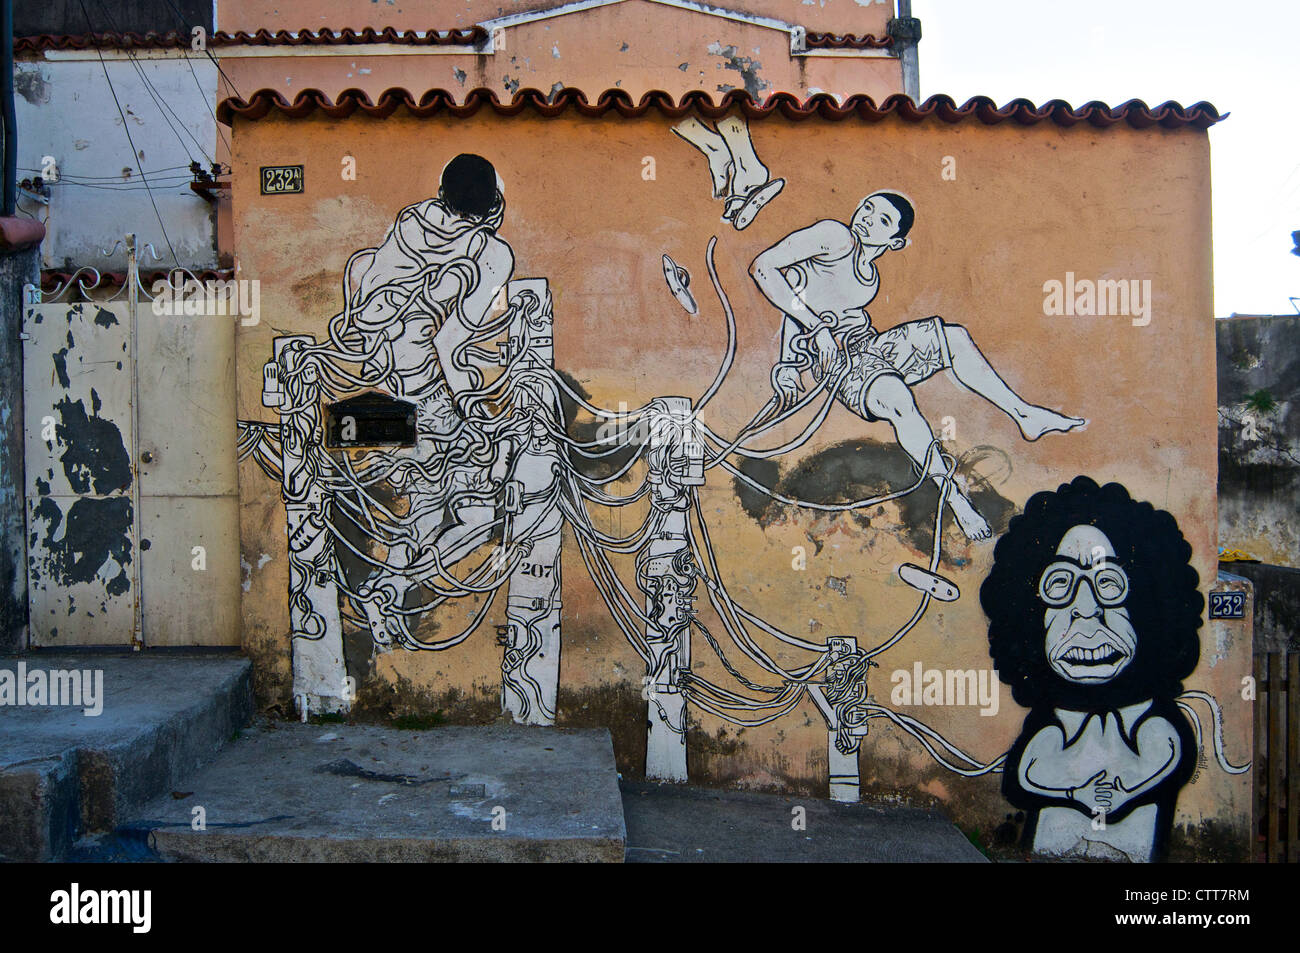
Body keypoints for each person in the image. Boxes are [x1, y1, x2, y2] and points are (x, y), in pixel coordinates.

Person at [750, 191, 1085, 539]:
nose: (866, 217)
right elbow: (767, 269)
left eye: (882, 219)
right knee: (896, 398)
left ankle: (1024, 414)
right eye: (867, 207)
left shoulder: (869, 277)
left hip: (868, 344)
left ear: (895, 242)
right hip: (836, 360)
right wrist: (791, 359)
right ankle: (953, 496)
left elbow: (802, 290)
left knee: (952, 337)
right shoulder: (834, 237)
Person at [346, 153, 516, 647]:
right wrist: (474, 412)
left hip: (384, 389)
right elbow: (449, 346)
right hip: (427, 391)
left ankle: (384, 591)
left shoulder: (409, 223)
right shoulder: (491, 253)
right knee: (480, 512)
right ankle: (391, 586)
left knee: (424, 506)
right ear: (492, 204)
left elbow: (361, 285)